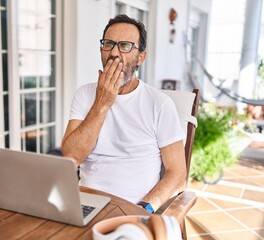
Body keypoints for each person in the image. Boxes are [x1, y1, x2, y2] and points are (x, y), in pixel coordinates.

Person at [61, 14, 186, 213]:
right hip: (85, 203)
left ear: (141, 57)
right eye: (109, 44)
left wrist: (144, 209)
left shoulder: (160, 104)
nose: (114, 53)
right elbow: (71, 155)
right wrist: (101, 105)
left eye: (125, 46)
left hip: (134, 208)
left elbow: (178, 174)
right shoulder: (84, 95)